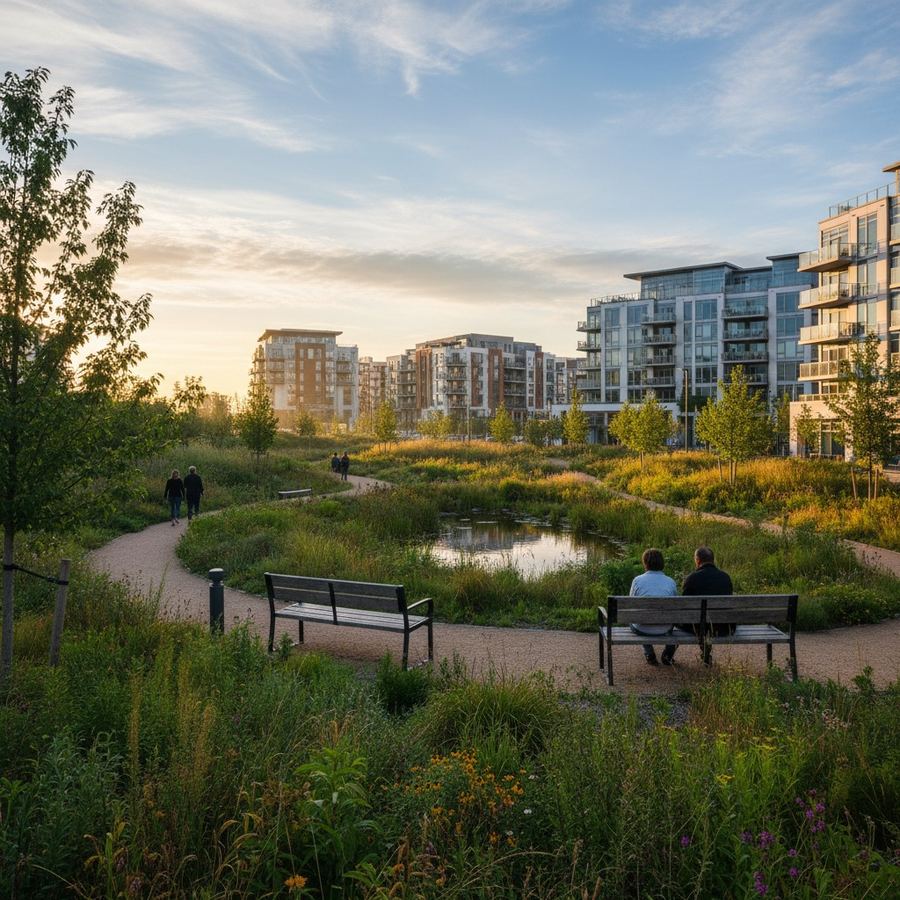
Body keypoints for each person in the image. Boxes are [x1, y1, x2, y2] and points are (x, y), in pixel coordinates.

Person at [664, 546, 734, 663]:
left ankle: (668, 655)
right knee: (705, 623)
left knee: (677, 618)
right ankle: (706, 654)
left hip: (696, 627)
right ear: (713, 560)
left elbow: (685, 606)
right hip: (722, 627)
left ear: (698, 560)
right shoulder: (725, 577)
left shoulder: (692, 578)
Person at [628, 548, 677, 666]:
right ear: (662, 563)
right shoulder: (670, 581)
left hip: (642, 628)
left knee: (638, 618)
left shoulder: (637, 580)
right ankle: (668, 655)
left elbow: (631, 604)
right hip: (665, 628)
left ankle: (649, 652)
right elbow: (675, 607)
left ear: (645, 563)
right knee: (675, 625)